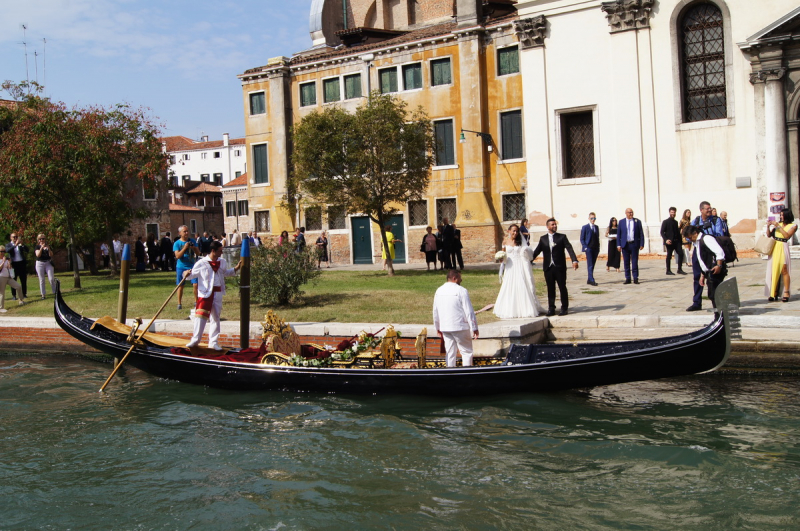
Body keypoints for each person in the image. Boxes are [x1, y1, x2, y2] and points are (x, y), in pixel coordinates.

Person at [184, 241, 243, 350]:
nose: (222, 253)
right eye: (220, 251)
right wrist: (186, 274)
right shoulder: (201, 263)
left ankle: (213, 342)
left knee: (216, 318)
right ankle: (195, 340)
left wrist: (236, 268)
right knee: (200, 317)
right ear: (213, 251)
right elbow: (190, 275)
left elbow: (225, 273)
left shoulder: (222, 262)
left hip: (217, 293)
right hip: (205, 294)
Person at [494, 224, 545, 319]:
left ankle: (524, 309)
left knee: (521, 285)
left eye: (517, 231)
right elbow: (504, 254)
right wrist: (501, 258)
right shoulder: (505, 241)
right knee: (509, 286)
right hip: (510, 266)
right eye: (513, 231)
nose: (515, 233)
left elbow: (527, 254)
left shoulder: (520, 242)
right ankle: (509, 309)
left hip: (519, 265)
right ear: (509, 231)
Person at [531, 218, 579, 316]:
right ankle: (551, 308)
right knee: (550, 288)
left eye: (555, 224)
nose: (554, 226)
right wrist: (528, 260)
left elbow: (569, 248)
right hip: (548, 268)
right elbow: (536, 251)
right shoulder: (543, 239)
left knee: (562, 287)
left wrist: (574, 260)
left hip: (559, 267)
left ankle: (564, 308)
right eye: (552, 225)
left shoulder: (562, 237)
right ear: (547, 226)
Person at [432, 269, 479, 367]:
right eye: (460, 278)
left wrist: (437, 327)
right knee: (466, 352)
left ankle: (450, 373)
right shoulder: (461, 290)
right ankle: (467, 373)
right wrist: (474, 327)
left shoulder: (439, 290)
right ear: (454, 278)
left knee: (450, 353)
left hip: (445, 326)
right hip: (460, 326)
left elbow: (435, 311)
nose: (461, 280)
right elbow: (468, 310)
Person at [689, 201, 725, 310]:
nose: (709, 210)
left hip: (711, 250)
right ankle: (697, 302)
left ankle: (717, 302)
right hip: (699, 249)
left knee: (712, 277)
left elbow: (719, 234)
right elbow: (688, 235)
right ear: (701, 210)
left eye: (710, 208)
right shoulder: (695, 221)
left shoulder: (715, 220)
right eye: (707, 209)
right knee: (697, 276)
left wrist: (706, 233)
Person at [682, 225, 727, 310]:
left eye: (690, 237)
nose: (690, 240)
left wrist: (719, 265)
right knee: (712, 295)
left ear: (695, 233)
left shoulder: (706, 239)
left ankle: (721, 318)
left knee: (715, 295)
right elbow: (702, 260)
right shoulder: (697, 242)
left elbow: (719, 252)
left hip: (715, 270)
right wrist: (703, 275)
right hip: (708, 271)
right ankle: (718, 317)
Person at [764, 208, 797, 302]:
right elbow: (769, 235)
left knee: (784, 269)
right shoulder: (778, 224)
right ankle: (773, 292)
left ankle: (786, 292)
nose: (781, 216)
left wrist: (778, 226)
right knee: (773, 269)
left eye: (782, 215)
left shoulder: (793, 226)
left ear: (787, 215)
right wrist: (768, 226)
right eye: (780, 214)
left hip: (783, 246)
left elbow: (787, 236)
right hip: (775, 246)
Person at [173, 225, 201, 310]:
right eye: (184, 231)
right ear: (180, 233)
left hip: (192, 266)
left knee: (195, 284)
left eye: (187, 231)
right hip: (181, 266)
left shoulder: (192, 241)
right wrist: (185, 248)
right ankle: (179, 303)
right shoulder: (177, 243)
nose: (186, 233)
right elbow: (177, 256)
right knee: (180, 285)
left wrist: (193, 248)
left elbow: (198, 253)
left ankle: (196, 302)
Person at [617, 208, 644, 285]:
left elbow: (641, 233)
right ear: (626, 213)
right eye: (629, 212)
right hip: (625, 244)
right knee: (626, 262)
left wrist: (642, 243)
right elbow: (619, 234)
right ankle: (628, 278)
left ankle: (635, 278)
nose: (631, 214)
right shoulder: (621, 222)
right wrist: (618, 244)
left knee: (634, 261)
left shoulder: (637, 222)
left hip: (634, 244)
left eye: (632, 212)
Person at [0, 245, 26, 311]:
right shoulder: (2, 260)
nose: (3, 253)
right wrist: (3, 262)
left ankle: (21, 300)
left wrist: (9, 264)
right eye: (1, 251)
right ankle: (1, 307)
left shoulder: (6, 258)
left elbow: (9, 267)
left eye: (4, 251)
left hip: (8, 277)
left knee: (18, 286)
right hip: (1, 277)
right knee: (2, 292)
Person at [660, 207, 684, 275]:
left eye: (674, 212)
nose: (673, 213)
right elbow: (662, 232)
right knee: (669, 255)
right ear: (669, 212)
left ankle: (679, 269)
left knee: (681, 254)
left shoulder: (676, 222)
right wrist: (666, 239)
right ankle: (668, 270)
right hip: (670, 242)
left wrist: (680, 241)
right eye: (672, 212)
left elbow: (677, 232)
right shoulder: (665, 222)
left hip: (676, 241)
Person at [579, 212, 601, 286]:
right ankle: (591, 279)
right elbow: (582, 238)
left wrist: (598, 247)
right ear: (589, 218)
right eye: (591, 218)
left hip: (595, 248)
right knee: (590, 264)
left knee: (593, 264)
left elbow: (597, 237)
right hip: (589, 248)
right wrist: (585, 246)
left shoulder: (596, 227)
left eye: (594, 218)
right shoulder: (585, 227)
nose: (593, 220)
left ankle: (589, 279)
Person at [6, 232, 28, 301]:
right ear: (11, 238)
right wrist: (15, 245)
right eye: (14, 237)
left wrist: (23, 245)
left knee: (23, 279)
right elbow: (8, 251)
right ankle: (14, 295)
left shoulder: (20, 245)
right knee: (13, 280)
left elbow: (27, 250)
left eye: (16, 237)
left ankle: (24, 294)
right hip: (14, 264)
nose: (15, 238)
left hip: (21, 263)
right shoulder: (9, 245)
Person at [34, 234, 56, 299]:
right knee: (42, 279)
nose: (42, 240)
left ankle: (55, 292)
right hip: (40, 263)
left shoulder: (48, 246)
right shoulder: (37, 247)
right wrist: (41, 248)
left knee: (51, 279)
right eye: (40, 239)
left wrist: (48, 249)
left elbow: (51, 254)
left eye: (43, 239)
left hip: (48, 262)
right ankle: (43, 294)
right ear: (38, 240)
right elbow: (38, 255)